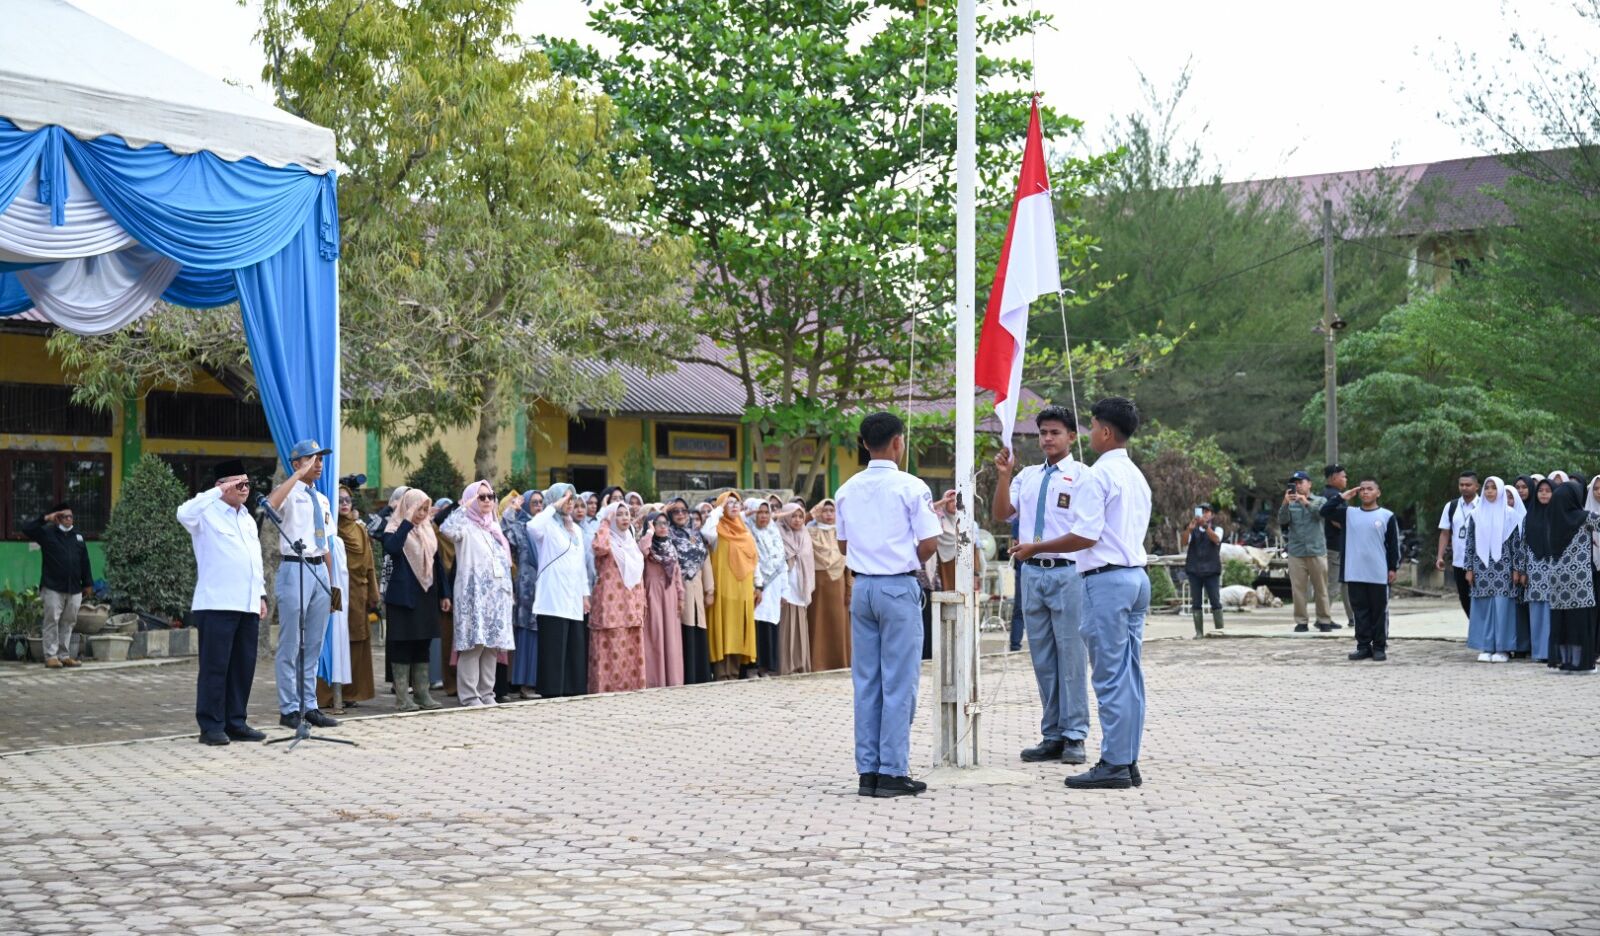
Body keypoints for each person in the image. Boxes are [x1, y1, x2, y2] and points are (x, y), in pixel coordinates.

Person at [1019, 397, 1152, 791]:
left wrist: (1035, 548)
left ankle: (1113, 762)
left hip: (1107, 580)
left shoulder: (1096, 475)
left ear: (1106, 432)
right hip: (1135, 577)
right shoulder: (1136, 475)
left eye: (1092, 427)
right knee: (1130, 676)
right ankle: (1127, 759)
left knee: (1110, 677)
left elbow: (1086, 535)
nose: (1090, 433)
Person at [835, 411, 941, 798]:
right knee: (899, 682)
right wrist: (902, 556)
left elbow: (843, 545)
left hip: (862, 588)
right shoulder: (912, 486)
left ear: (864, 444)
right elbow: (930, 542)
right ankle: (893, 770)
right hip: (897, 587)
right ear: (899, 441)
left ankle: (869, 771)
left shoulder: (846, 488)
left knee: (867, 683)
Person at [993, 404, 1091, 767]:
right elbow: (1003, 514)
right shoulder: (1028, 476)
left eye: (1055, 433)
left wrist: (1038, 546)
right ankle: (1052, 733)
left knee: (1071, 656)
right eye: (1043, 433)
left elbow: (1084, 531)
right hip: (1031, 572)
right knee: (1043, 658)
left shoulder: (1083, 476)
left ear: (1071, 437)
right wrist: (1004, 476)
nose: (1048, 439)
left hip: (1067, 572)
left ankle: (1075, 734)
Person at [175, 461, 267, 746]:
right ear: (221, 486)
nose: (245, 489)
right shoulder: (205, 513)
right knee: (216, 667)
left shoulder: (248, 518)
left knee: (242, 667)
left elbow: (255, 559)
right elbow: (182, 512)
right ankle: (211, 725)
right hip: (216, 603)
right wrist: (216, 492)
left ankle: (235, 721)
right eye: (238, 484)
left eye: (247, 484)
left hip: (247, 602)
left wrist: (261, 594)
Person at [264, 439, 340, 731]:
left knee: (314, 644)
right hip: (295, 568)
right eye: (312, 459)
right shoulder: (289, 492)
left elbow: (327, 544)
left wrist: (333, 586)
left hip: (320, 570)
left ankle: (310, 706)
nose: (318, 464)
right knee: (291, 643)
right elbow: (271, 505)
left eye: (321, 459)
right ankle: (288, 707)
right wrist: (296, 475)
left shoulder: (321, 499)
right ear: (296, 463)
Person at [440, 481, 516, 707]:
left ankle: (487, 693)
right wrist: (465, 506)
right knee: (474, 645)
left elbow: (503, 563)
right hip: (473, 595)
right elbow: (446, 529)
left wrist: (508, 593)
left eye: (490, 496)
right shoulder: (465, 526)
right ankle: (470, 695)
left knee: (491, 646)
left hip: (496, 597)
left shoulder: (494, 528)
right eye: (481, 497)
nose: (487, 501)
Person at [382, 489, 449, 711]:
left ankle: (422, 694)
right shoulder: (394, 528)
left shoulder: (428, 530)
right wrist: (407, 522)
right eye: (417, 508)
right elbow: (391, 548)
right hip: (402, 597)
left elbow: (437, 564)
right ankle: (403, 698)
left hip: (426, 593)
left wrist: (444, 594)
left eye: (424, 509)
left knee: (423, 643)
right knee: (402, 645)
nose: (422, 513)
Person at [1524, 480, 1599, 671]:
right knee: (1579, 622)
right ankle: (1580, 663)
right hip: (1580, 581)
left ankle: (1566, 661)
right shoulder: (1584, 517)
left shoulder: (1550, 518)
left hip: (1556, 579)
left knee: (1562, 622)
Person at [1323, 478, 1401, 661]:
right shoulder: (1349, 513)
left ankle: (1379, 646)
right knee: (1360, 611)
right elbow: (1324, 511)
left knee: (1379, 612)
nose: (1365, 492)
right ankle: (1363, 646)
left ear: (1378, 493)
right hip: (1355, 572)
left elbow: (1393, 545)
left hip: (1378, 573)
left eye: (1370, 489)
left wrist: (1392, 568)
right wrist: (1342, 497)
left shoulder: (1386, 516)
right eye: (1362, 489)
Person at [317, 485, 378, 709]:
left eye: (348, 500)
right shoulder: (330, 531)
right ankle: (327, 694)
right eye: (340, 500)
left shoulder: (360, 529)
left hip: (358, 593)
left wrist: (373, 592)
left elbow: (369, 562)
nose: (344, 504)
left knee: (357, 640)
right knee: (332, 637)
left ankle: (353, 692)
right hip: (337, 589)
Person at [527, 485, 591, 697]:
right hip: (552, 597)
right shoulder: (547, 526)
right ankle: (552, 691)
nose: (569, 502)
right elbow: (531, 526)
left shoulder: (578, 531)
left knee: (574, 647)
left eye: (571, 499)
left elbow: (581, 565)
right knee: (554, 648)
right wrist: (553, 506)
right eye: (565, 498)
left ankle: (572, 690)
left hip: (573, 597)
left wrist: (585, 594)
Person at [22, 501, 94, 668]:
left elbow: (85, 561)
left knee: (68, 622)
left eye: (70, 516)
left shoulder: (78, 537)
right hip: (53, 587)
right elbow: (27, 529)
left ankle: (64, 655)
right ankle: (51, 656)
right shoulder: (47, 533)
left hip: (74, 588)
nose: (68, 519)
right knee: (51, 621)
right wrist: (46, 518)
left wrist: (88, 583)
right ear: (57, 518)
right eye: (64, 516)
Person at [1464, 476, 1525, 663]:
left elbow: (1517, 545)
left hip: (1504, 568)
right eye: (1487, 488)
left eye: (1493, 488)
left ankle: (1503, 648)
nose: (1490, 491)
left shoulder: (1511, 515)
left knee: (1503, 608)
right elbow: (1470, 543)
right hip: (1481, 567)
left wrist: (1517, 568)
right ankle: (1486, 646)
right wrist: (1469, 568)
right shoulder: (1476, 514)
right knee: (1484, 607)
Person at [590, 502, 646, 693]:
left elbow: (638, 577)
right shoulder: (606, 539)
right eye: (619, 515)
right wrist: (604, 522)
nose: (624, 518)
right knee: (610, 647)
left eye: (627, 514)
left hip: (631, 605)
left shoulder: (630, 542)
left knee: (631, 645)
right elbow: (599, 547)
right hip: (610, 605)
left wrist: (641, 604)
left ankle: (631, 687)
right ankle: (606, 689)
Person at [704, 492, 758, 679]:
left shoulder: (745, 531)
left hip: (743, 590)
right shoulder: (716, 530)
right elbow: (706, 532)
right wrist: (717, 510)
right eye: (729, 503)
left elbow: (753, 559)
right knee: (722, 629)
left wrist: (758, 585)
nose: (734, 506)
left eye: (737, 503)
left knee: (738, 630)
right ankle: (720, 673)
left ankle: (734, 673)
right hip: (723, 590)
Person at [1278, 471, 1335, 633]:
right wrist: (1285, 503)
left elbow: (1320, 515)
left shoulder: (1320, 500)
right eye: (1294, 483)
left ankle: (1324, 620)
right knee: (1298, 590)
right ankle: (1301, 621)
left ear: (1309, 484)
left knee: (1321, 588)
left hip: (1317, 551)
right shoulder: (1290, 503)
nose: (1297, 485)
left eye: (1300, 482)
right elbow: (1282, 521)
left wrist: (1306, 503)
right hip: (1297, 552)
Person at [666, 498, 714, 685]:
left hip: (697, 588)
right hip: (677, 589)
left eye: (683, 511)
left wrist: (710, 590)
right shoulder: (666, 534)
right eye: (675, 511)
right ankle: (684, 676)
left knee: (697, 628)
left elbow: (706, 562)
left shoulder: (696, 535)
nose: (680, 514)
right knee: (683, 630)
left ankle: (700, 676)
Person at [639, 511, 686, 688]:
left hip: (670, 594)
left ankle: (673, 679)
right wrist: (649, 532)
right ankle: (655, 680)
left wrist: (681, 596)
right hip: (652, 594)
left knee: (671, 637)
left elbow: (677, 574)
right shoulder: (647, 545)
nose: (663, 527)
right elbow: (642, 550)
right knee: (655, 635)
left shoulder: (670, 547)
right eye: (657, 523)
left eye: (665, 523)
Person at [501, 491, 540, 698]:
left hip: (544, 588)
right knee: (526, 636)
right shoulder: (522, 527)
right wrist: (511, 509)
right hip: (526, 589)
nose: (538, 506)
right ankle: (525, 684)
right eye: (534, 503)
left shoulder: (546, 527)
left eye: (541, 502)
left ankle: (537, 682)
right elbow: (504, 531)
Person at [807, 497, 852, 671]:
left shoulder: (841, 534)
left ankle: (839, 661)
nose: (828, 514)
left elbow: (849, 563)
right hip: (817, 585)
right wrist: (810, 516)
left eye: (831, 511)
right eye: (824, 510)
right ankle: (818, 663)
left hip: (838, 584)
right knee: (817, 622)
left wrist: (849, 588)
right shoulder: (811, 533)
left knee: (838, 623)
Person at [1517, 478, 1558, 663]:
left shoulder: (1561, 515)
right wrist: (1522, 570)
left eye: (1548, 491)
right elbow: (1523, 545)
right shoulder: (1529, 516)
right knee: (1537, 611)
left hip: (1556, 567)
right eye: (1540, 490)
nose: (1543, 494)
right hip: (1535, 569)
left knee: (1553, 609)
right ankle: (1540, 652)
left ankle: (1553, 651)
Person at [748, 498, 787, 676]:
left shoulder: (774, 532)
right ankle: (754, 667)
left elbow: (782, 562)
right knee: (756, 625)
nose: (763, 516)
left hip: (774, 586)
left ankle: (767, 667)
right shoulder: (748, 532)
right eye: (759, 512)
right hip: (756, 585)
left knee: (770, 625)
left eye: (766, 512)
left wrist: (784, 591)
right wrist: (758, 584)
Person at [1436, 471, 1482, 619]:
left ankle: (1481, 631)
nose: (1464, 487)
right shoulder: (1451, 506)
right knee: (1464, 597)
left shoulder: (1484, 505)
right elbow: (1445, 533)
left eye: (1468, 485)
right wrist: (1440, 556)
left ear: (1476, 487)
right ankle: (1474, 628)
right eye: (1461, 485)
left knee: (1481, 596)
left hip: (1481, 562)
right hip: (1459, 561)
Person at [776, 503, 815, 675]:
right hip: (785, 586)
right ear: (785, 516)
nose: (798, 520)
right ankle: (786, 665)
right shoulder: (778, 532)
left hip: (800, 586)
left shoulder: (805, 534)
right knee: (786, 626)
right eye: (793, 516)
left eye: (800, 516)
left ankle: (800, 664)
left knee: (799, 625)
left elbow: (809, 562)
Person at [1183, 503, 1225, 639]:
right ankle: (1199, 632)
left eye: (1207, 512)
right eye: (1202, 511)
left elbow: (1216, 539)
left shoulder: (1217, 528)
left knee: (1215, 601)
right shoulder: (1193, 529)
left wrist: (1205, 526)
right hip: (1194, 570)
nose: (1204, 514)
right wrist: (1189, 530)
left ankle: (1220, 631)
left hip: (1211, 570)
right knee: (1196, 602)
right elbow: (1184, 542)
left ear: (1211, 515)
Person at [1321, 464, 1354, 628]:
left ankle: (1353, 617)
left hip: (1340, 545)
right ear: (1334, 478)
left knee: (1346, 583)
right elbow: (1336, 519)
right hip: (1334, 545)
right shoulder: (1332, 496)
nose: (1345, 479)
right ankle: (1323, 618)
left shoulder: (1333, 494)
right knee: (1334, 584)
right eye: (1343, 476)